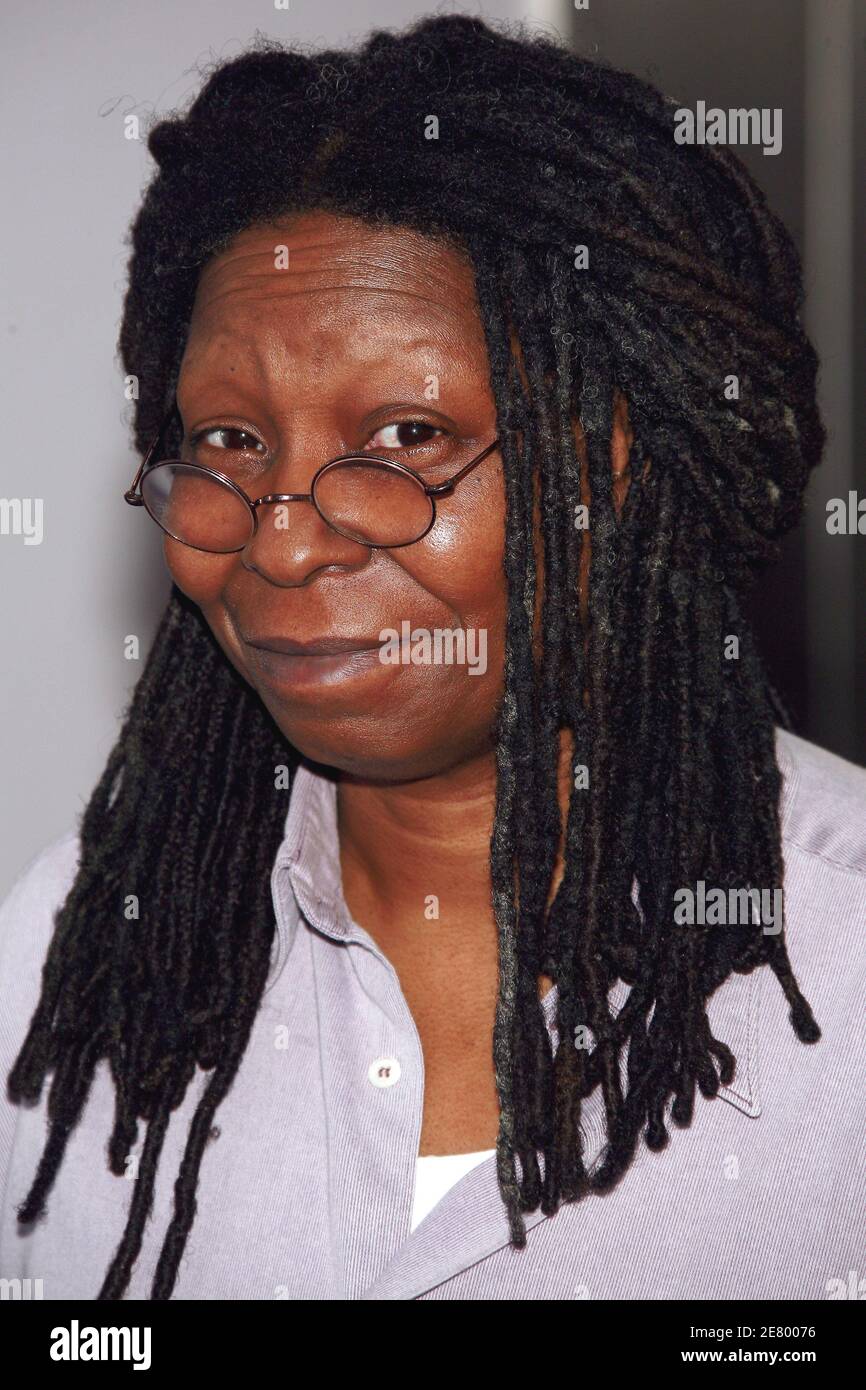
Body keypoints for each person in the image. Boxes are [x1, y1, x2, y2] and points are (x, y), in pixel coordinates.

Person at [1, 14, 863, 1301]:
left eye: (405, 432)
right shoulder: (73, 951)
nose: (282, 548)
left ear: (639, 466)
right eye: (228, 441)